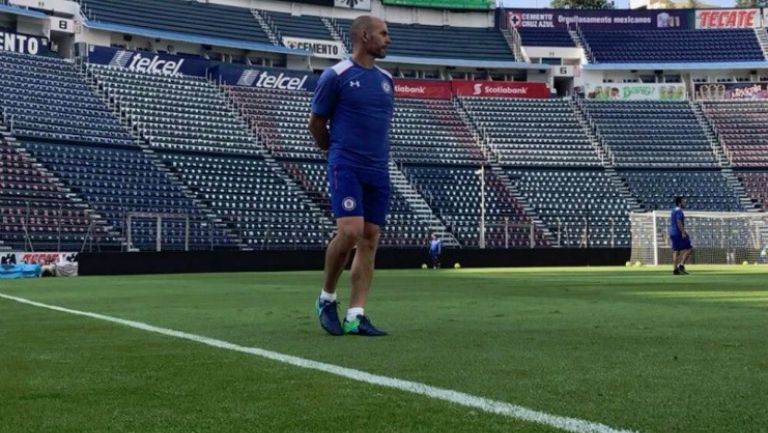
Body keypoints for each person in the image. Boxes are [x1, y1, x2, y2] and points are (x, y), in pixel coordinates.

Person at [308, 15, 392, 337]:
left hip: (378, 168)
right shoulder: (336, 75)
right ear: (364, 35)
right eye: (383, 33)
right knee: (350, 232)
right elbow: (315, 123)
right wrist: (334, 154)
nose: (388, 39)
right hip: (346, 165)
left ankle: (356, 315)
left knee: (370, 237)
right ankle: (326, 298)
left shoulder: (387, 80)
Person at [669, 196, 693, 275]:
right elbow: (678, 221)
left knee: (676, 251)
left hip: (672, 232)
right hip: (678, 232)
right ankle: (681, 265)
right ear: (679, 203)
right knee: (689, 248)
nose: (685, 203)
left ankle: (675, 270)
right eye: (683, 202)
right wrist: (683, 232)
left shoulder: (673, 210)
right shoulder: (679, 211)